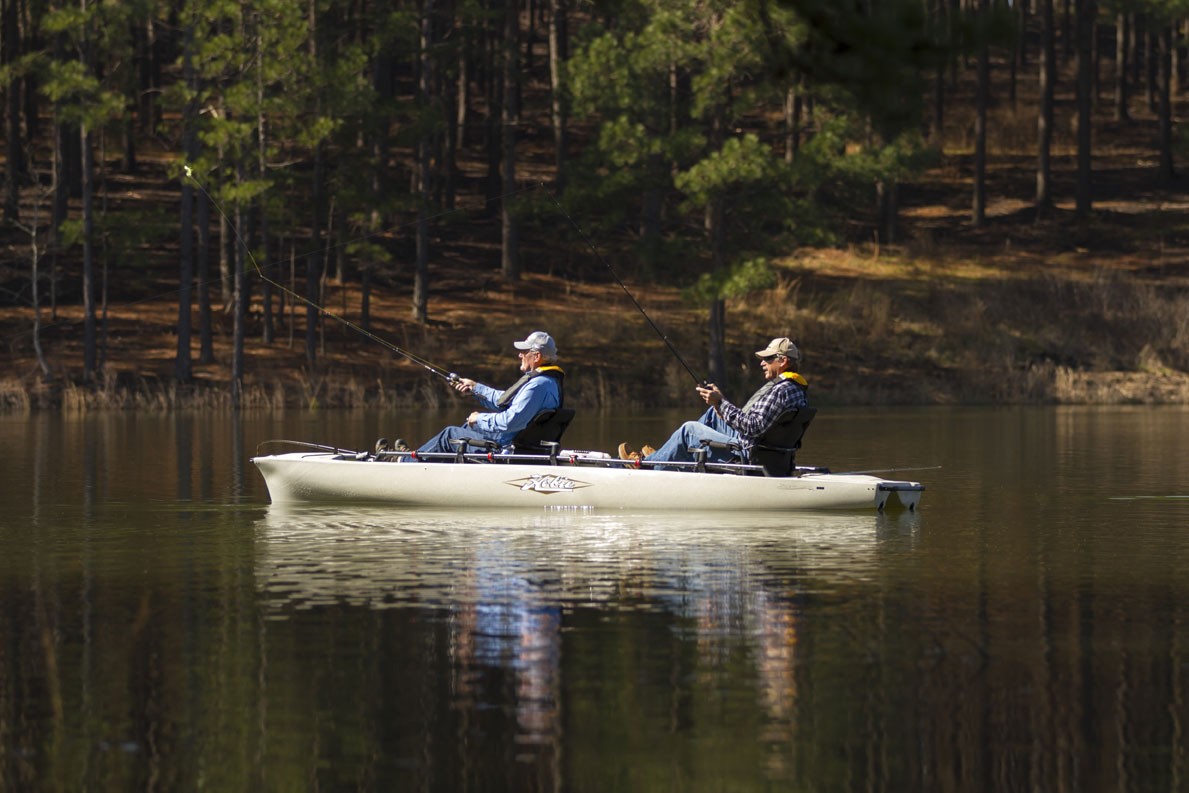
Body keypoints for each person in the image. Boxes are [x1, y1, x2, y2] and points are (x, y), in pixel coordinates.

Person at [619, 337, 808, 465]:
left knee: (688, 430)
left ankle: (648, 465)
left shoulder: (780, 391)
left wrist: (721, 403)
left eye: (768, 359)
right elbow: (756, 424)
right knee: (712, 415)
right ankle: (665, 456)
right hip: (768, 451)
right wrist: (720, 403)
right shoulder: (796, 389)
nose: (762, 363)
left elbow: (752, 427)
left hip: (747, 452)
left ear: (783, 361)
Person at [407, 331, 564, 455]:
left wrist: (479, 418)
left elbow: (510, 421)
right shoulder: (547, 382)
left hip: (505, 446)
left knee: (448, 435)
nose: (520, 355)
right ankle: (420, 458)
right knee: (468, 428)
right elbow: (505, 400)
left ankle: (407, 461)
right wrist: (475, 388)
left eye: (524, 351)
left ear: (536, 356)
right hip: (515, 440)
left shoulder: (536, 386)